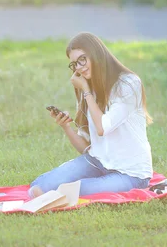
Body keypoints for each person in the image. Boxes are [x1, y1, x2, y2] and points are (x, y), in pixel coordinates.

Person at [29, 32, 153, 197]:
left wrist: (86, 91)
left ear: (96, 54)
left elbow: (102, 128)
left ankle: (61, 193)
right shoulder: (88, 89)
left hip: (130, 173)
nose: (79, 67)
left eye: (82, 59)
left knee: (71, 190)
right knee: (40, 186)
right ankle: (56, 193)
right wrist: (66, 126)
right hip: (97, 162)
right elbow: (86, 147)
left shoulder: (128, 84)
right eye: (74, 64)